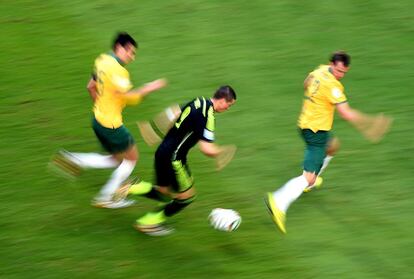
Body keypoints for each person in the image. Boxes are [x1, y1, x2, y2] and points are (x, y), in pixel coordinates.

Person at [265, 51, 392, 234]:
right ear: (332, 63)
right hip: (315, 132)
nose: (341, 75)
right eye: (339, 70)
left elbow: (306, 82)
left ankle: (310, 181)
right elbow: (346, 113)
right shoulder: (333, 87)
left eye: (344, 73)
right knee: (307, 175)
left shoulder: (321, 69)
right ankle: (278, 201)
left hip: (307, 124)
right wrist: (371, 123)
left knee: (333, 146)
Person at [52, 32, 167, 208]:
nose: (132, 57)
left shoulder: (102, 60)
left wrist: (102, 105)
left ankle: (76, 160)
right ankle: (106, 197)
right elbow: (130, 98)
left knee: (116, 159)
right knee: (132, 158)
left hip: (97, 119)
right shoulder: (119, 72)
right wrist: (149, 88)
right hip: (111, 125)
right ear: (119, 47)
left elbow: (90, 86)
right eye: (129, 51)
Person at [115, 85, 237, 235]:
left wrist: (154, 130)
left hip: (162, 152)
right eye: (229, 105)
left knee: (163, 192)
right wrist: (221, 152)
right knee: (186, 197)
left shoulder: (198, 101)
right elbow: (207, 149)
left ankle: (131, 187)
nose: (228, 108)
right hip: (174, 159)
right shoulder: (207, 116)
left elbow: (174, 112)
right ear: (223, 100)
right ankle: (148, 222)